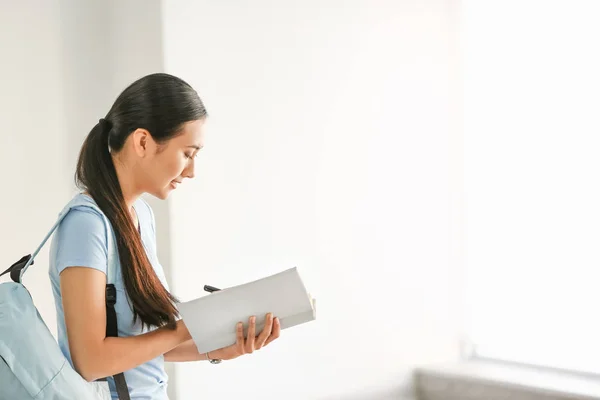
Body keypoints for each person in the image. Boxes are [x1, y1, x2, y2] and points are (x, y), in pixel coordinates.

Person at [48, 73, 280, 399]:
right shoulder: (85, 226)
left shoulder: (140, 214)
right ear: (142, 142)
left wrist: (218, 348)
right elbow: (91, 361)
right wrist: (188, 327)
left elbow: (145, 346)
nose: (192, 171)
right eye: (188, 153)